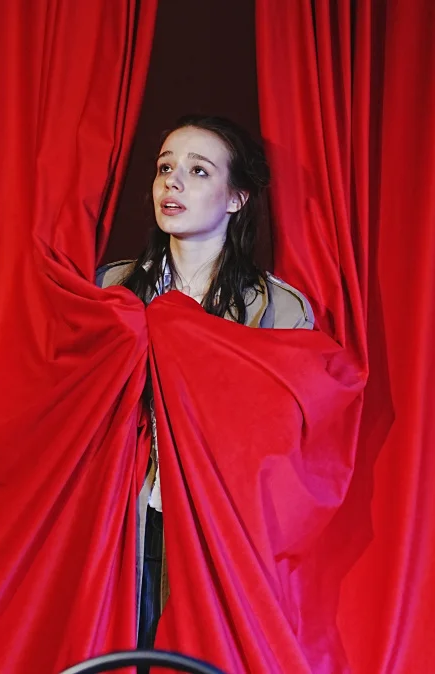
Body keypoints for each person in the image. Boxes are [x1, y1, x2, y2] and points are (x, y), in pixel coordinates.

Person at [96, 114, 315, 652]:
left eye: (198, 171)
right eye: (165, 167)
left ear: (237, 198)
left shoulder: (279, 310)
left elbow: (288, 441)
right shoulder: (112, 291)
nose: (173, 181)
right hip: (123, 518)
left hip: (220, 527)